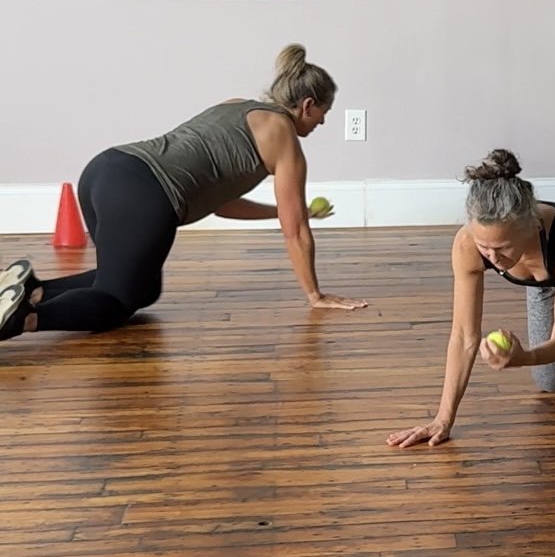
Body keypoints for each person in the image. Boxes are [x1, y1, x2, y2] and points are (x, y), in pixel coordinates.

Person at [0, 44, 366, 341]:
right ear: (307, 105)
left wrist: (278, 211)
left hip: (105, 171)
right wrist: (315, 296)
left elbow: (221, 204)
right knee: (116, 299)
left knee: (142, 289)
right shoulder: (283, 134)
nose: (323, 121)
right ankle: (24, 319)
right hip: (144, 195)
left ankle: (29, 290)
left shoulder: (236, 105)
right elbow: (296, 230)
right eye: (323, 112)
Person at [387, 149, 555, 448]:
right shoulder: (467, 244)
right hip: (546, 281)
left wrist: (522, 358)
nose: (492, 256)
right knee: (552, 381)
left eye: (502, 247)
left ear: (531, 226)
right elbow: (464, 335)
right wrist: (443, 418)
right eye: (484, 246)